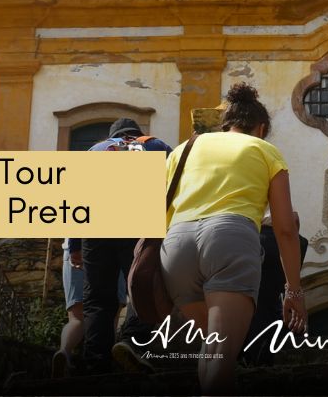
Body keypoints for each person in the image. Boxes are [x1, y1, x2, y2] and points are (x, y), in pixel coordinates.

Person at [162, 83, 307, 394]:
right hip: (230, 238)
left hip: (176, 244)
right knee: (221, 357)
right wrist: (293, 290)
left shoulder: (181, 151)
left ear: (225, 124)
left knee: (210, 349)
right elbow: (284, 227)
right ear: (261, 127)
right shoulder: (264, 149)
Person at [74, 118, 172, 374]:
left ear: (112, 135)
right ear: (137, 133)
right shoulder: (155, 146)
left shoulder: (94, 151)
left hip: (95, 227)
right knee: (140, 285)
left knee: (97, 297)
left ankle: (95, 361)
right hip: (137, 222)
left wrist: (74, 244)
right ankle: (133, 343)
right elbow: (176, 185)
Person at [51, 237, 127, 377]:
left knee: (76, 319)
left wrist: (74, 246)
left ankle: (64, 351)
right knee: (109, 316)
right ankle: (104, 362)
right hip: (110, 251)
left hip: (72, 250)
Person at [241, 212, 309, 366]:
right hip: (279, 284)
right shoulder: (300, 242)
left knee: (257, 312)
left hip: (259, 246)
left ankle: (251, 357)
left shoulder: (254, 235)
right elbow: (294, 218)